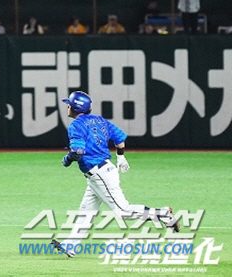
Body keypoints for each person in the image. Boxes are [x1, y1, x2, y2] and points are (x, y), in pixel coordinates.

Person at [54, 91, 179, 258]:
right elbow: (120, 139)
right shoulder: (100, 121)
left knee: (123, 211)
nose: (67, 106)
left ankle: (162, 213)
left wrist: (67, 159)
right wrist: (120, 156)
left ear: (76, 107)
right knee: (86, 212)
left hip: (99, 174)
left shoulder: (76, 125)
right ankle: (71, 245)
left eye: (69, 103)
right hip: (101, 172)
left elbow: (77, 151)